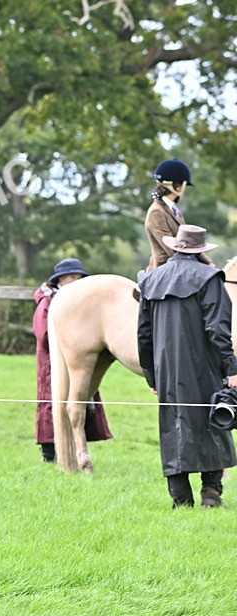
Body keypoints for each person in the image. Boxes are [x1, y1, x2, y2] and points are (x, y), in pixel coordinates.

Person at [137, 225, 237, 508]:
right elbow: (218, 329)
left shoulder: (151, 279)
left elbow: (143, 335)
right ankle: (211, 493)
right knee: (213, 421)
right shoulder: (210, 278)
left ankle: (181, 500)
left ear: (176, 247)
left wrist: (151, 376)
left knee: (172, 426)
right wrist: (232, 368)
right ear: (200, 250)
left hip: (166, 370)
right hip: (204, 365)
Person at [33, 258, 112, 462]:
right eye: (72, 277)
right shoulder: (48, 301)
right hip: (53, 363)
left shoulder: (80, 302)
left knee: (79, 398)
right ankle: (49, 451)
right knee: (52, 401)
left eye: (79, 277)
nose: (77, 281)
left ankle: (76, 446)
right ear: (60, 279)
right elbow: (43, 334)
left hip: (76, 359)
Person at [144, 158, 213, 272]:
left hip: (179, 265)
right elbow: (170, 247)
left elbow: (189, 243)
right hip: (163, 270)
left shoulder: (174, 210)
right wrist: (198, 265)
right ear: (177, 186)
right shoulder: (156, 212)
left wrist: (209, 262)